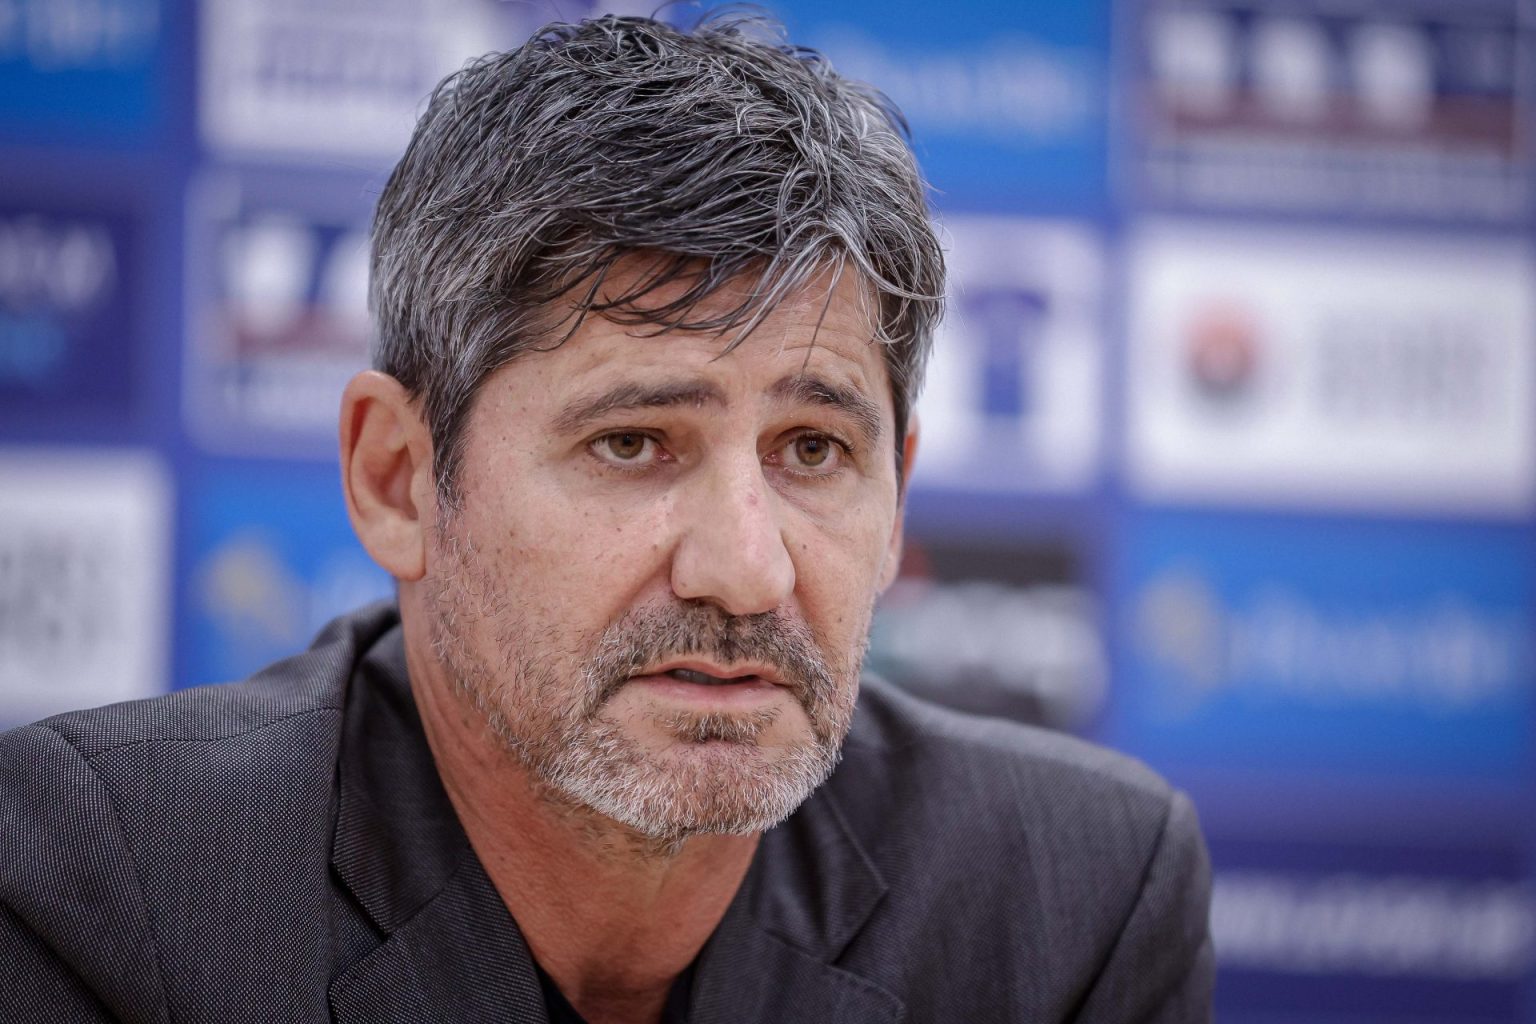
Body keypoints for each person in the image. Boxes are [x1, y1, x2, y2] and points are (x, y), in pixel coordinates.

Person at [0, 14, 1213, 1023]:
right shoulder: (109, 884)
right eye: (633, 442)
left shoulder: (1077, 896)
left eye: (814, 449)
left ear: (895, 498)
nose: (745, 570)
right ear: (399, 478)